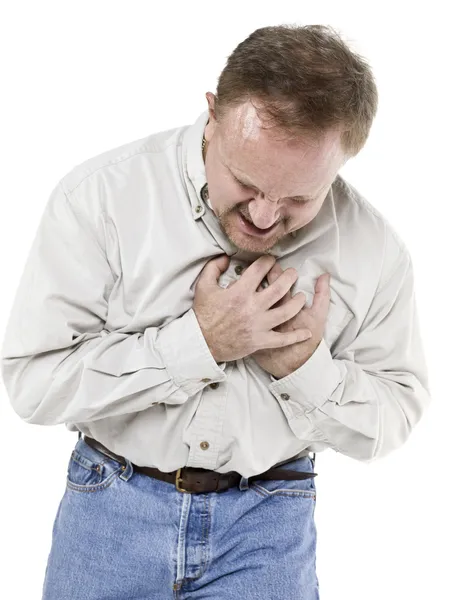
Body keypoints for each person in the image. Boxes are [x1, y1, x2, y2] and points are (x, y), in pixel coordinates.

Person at [0, 23, 431, 600]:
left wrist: (303, 367)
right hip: (110, 513)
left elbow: (392, 422)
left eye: (299, 198)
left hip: (269, 524)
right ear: (212, 114)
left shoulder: (375, 251)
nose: (262, 215)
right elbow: (32, 384)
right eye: (246, 182)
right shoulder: (101, 200)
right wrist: (200, 343)